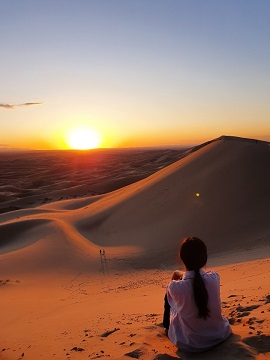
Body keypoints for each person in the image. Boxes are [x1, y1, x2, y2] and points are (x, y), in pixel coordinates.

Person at [163, 237, 231, 352]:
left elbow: (173, 302)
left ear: (182, 259)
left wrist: (176, 275)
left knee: (169, 297)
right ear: (205, 259)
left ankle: (166, 327)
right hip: (220, 335)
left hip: (191, 344)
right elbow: (197, 278)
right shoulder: (214, 278)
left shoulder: (175, 287)